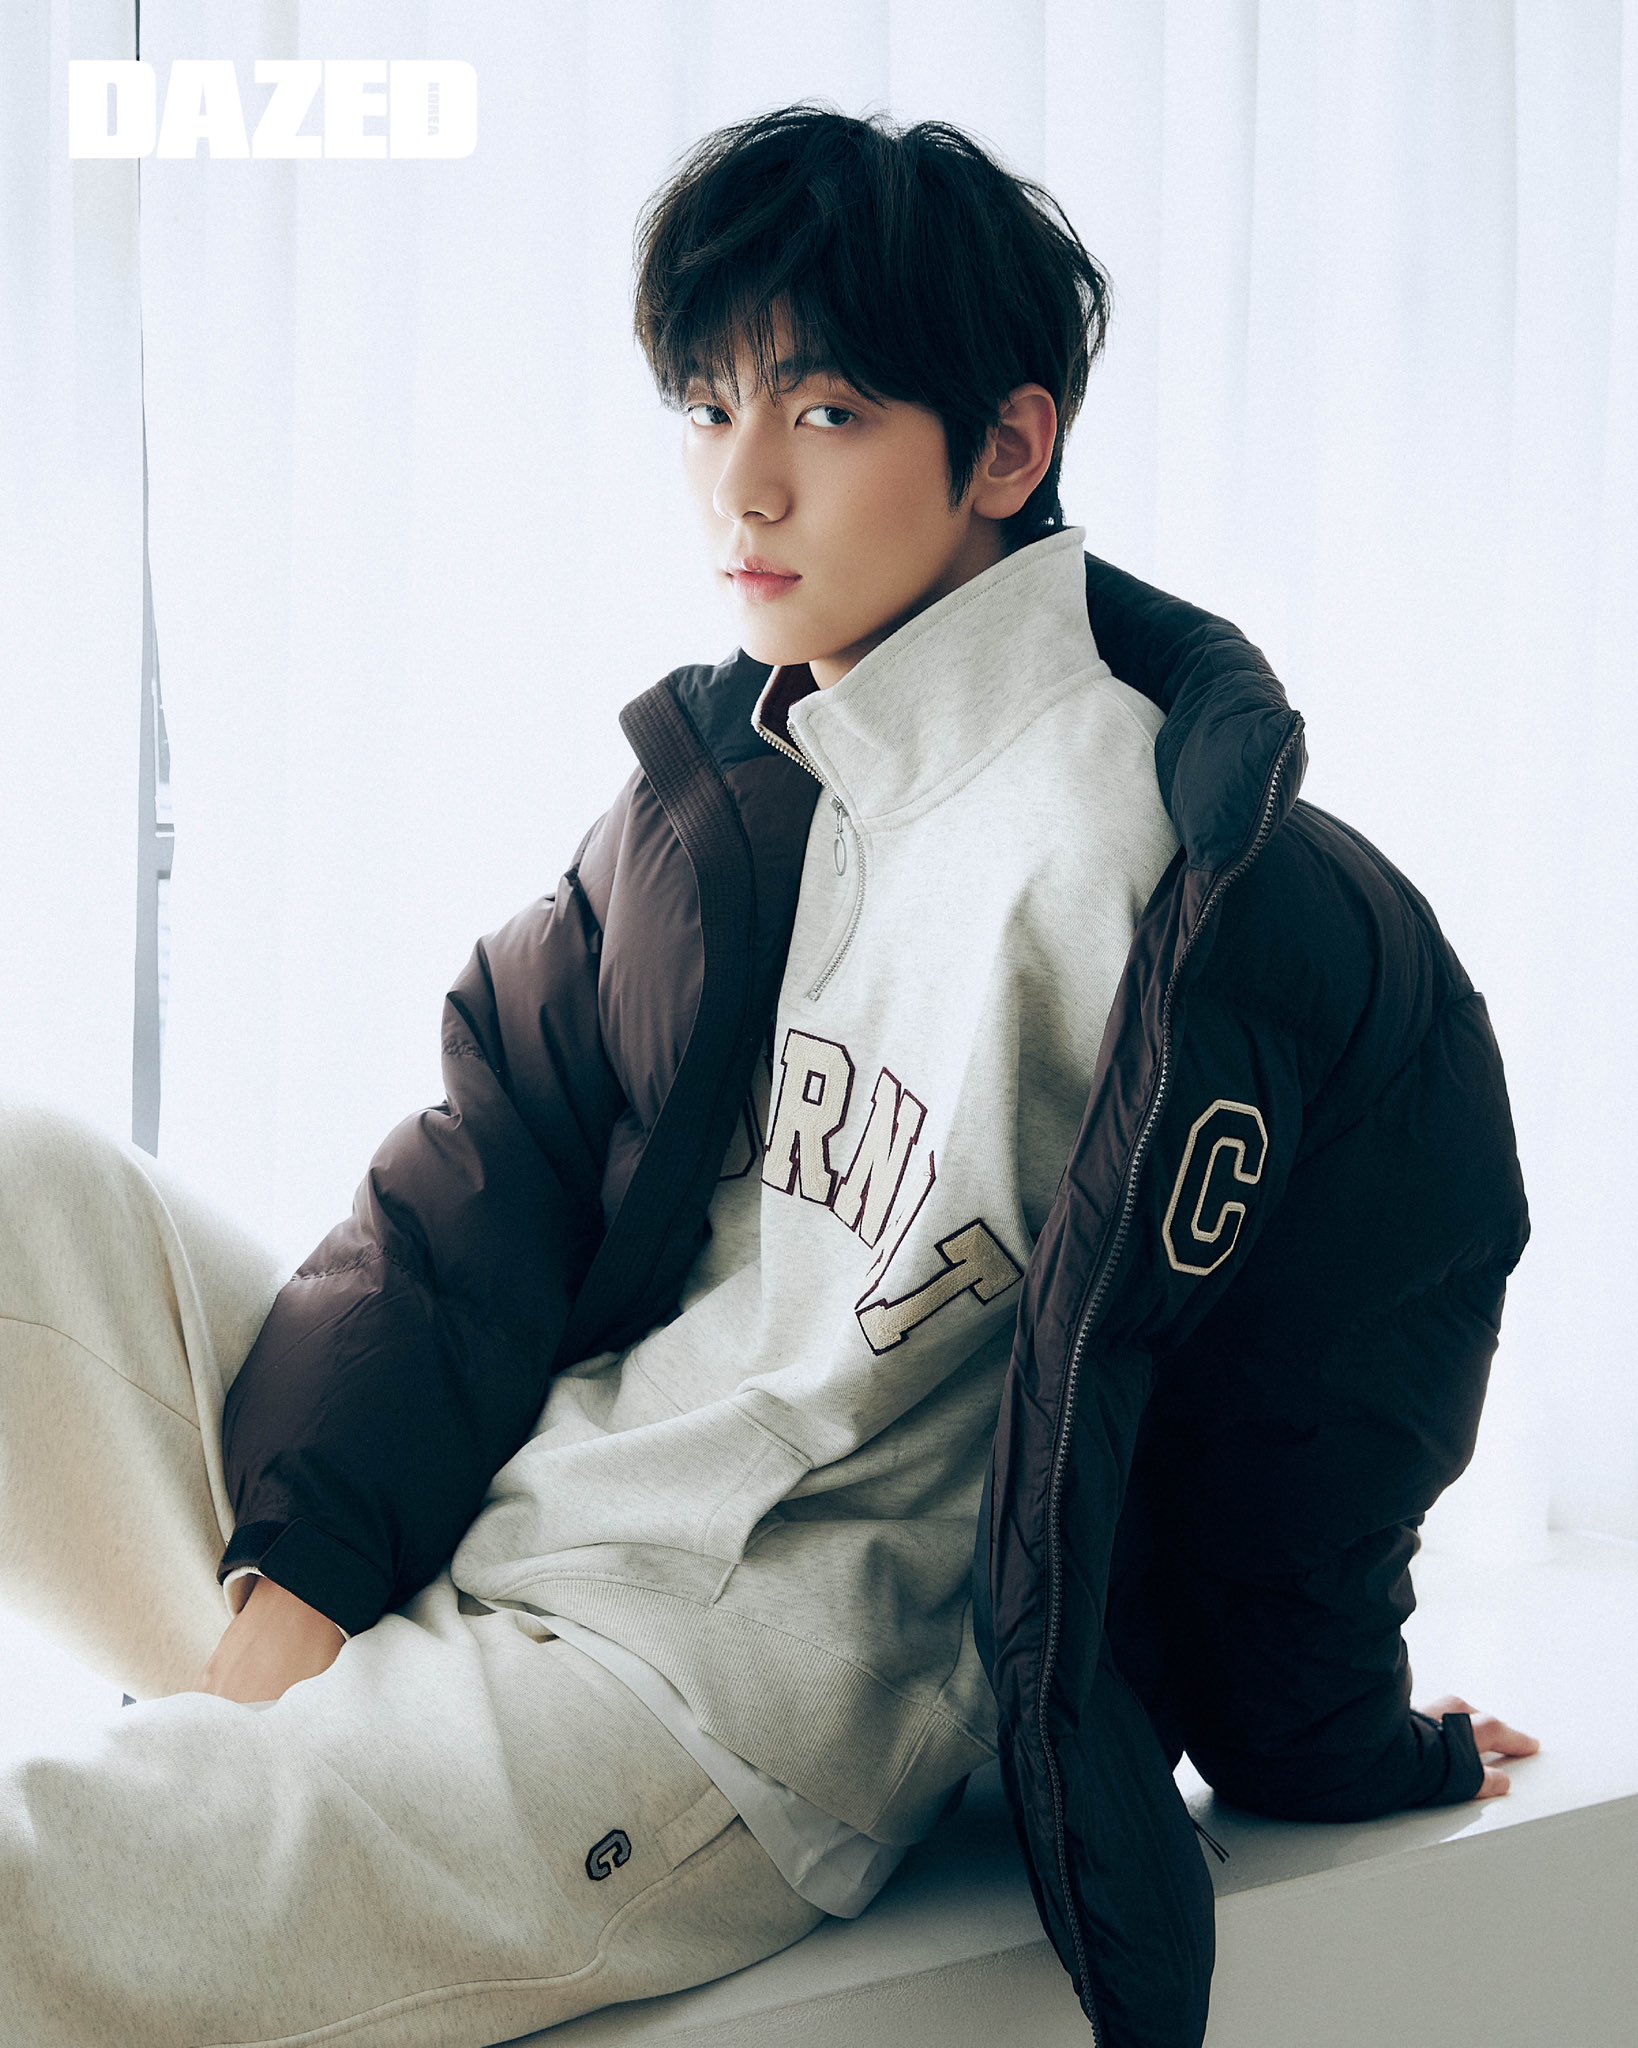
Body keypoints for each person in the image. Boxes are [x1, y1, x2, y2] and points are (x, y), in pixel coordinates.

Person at [0, 104, 1537, 2048]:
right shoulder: (741, 779)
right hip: (503, 1511)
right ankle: (272, 1762)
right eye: (707, 406)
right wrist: (302, 1581)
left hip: (695, 1715)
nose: (742, 485)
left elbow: (1336, 1369)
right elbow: (484, 1177)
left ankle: (253, 1811)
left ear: (1007, 448)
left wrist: (1344, 1741)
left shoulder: (1163, 878)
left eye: (822, 412)